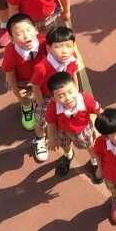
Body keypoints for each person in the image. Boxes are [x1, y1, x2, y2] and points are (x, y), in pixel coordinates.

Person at [29, 26, 79, 162]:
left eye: (68, 46)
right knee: (41, 120)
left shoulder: (71, 60)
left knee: (62, 118)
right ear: (48, 48)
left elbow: (74, 74)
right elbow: (35, 85)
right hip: (47, 98)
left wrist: (76, 91)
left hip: (65, 96)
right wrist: (40, 102)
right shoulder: (42, 68)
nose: (64, 51)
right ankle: (39, 138)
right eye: (58, 47)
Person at [44, 71, 101, 181]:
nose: (68, 98)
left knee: (90, 146)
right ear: (53, 98)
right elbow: (51, 124)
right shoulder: (53, 107)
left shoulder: (86, 99)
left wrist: (100, 129)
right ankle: (68, 155)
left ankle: (94, 161)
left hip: (83, 129)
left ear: (76, 87)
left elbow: (98, 112)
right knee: (64, 144)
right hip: (62, 130)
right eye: (61, 96)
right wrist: (52, 139)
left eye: (70, 92)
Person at [0, 13, 46, 130]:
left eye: (29, 30)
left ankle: (45, 106)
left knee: (44, 94)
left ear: (36, 30)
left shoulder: (45, 43)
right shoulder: (10, 52)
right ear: (11, 39)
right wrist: (16, 91)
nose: (26, 36)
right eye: (19, 33)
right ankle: (26, 108)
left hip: (41, 77)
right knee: (25, 97)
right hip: (22, 81)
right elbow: (10, 74)